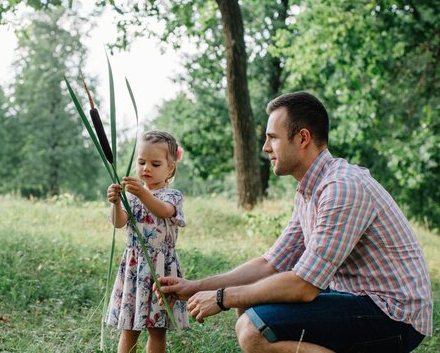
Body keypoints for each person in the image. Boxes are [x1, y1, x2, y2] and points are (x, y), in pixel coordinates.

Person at [156, 92, 433, 352]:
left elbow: (304, 286)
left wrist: (221, 297)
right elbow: (270, 264)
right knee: (253, 302)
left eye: (273, 138)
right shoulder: (309, 189)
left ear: (302, 138)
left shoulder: (341, 188)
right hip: (356, 297)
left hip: (394, 315)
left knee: (252, 329)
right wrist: (196, 286)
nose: (265, 147)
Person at [105, 130, 189, 353]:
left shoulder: (172, 196)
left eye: (155, 163)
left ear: (170, 167)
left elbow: (163, 211)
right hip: (133, 267)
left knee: (157, 327)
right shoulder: (131, 195)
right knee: (129, 327)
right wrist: (115, 203)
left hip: (161, 268)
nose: (146, 169)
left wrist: (142, 194)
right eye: (141, 162)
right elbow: (119, 222)